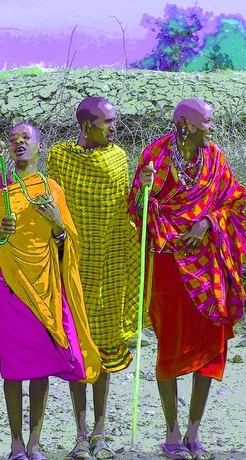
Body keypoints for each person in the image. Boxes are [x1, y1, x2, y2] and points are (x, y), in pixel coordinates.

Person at [128, 98, 246, 460]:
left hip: (209, 262)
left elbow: (234, 201)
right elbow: (137, 209)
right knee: (171, 346)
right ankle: (172, 433)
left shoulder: (215, 159)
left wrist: (207, 222)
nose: (212, 127)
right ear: (186, 125)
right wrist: (144, 190)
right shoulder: (156, 157)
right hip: (169, 263)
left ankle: (194, 430)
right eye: (207, 122)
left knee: (208, 345)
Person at [0, 123, 101, 460]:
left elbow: (68, 244)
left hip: (46, 287)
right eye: (13, 140)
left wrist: (59, 224)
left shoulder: (50, 188)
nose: (19, 144)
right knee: (14, 368)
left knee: (40, 367)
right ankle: (16, 444)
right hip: (8, 287)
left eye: (25, 139)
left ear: (39, 147)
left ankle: (34, 443)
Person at [47, 97, 141, 459]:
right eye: (107, 122)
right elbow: (56, 203)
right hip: (74, 263)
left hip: (113, 262)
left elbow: (125, 205)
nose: (113, 127)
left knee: (104, 346)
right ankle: (80, 433)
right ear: (87, 126)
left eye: (114, 121)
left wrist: (143, 188)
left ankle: (100, 431)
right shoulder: (60, 157)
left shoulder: (119, 157)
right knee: (76, 346)